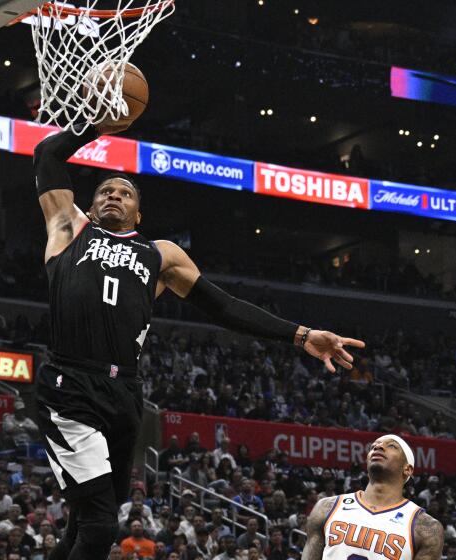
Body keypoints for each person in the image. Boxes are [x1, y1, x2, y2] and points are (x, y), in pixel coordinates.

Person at [31, 122, 364, 560]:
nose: (113, 195)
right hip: (69, 385)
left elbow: (224, 306)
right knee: (98, 526)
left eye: (125, 192)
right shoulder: (68, 228)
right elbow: (47, 155)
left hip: (124, 393)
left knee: (85, 525)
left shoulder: (161, 254)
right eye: (105, 191)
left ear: (139, 214)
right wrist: (99, 126)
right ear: (90, 205)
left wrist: (301, 336)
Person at [301, 434, 443, 560]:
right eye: (374, 446)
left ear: (407, 469)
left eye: (392, 446)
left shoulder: (425, 527)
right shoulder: (327, 507)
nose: (378, 447)